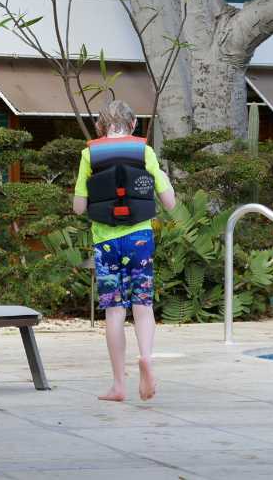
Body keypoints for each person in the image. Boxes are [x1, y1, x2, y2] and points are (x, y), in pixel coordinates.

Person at [73, 100, 176, 401]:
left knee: (115, 310)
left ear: (100, 126)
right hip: (139, 237)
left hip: (106, 242)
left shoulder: (89, 154)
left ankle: (119, 385)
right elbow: (170, 203)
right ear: (133, 125)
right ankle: (146, 358)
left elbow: (78, 207)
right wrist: (162, 178)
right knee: (142, 304)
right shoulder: (144, 151)